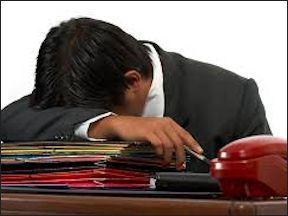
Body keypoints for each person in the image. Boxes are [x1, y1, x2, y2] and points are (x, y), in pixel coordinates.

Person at [1, 17, 271, 172]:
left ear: (132, 82)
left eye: (96, 111)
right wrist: (108, 122)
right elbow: (10, 119)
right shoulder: (70, 86)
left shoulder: (235, 98)